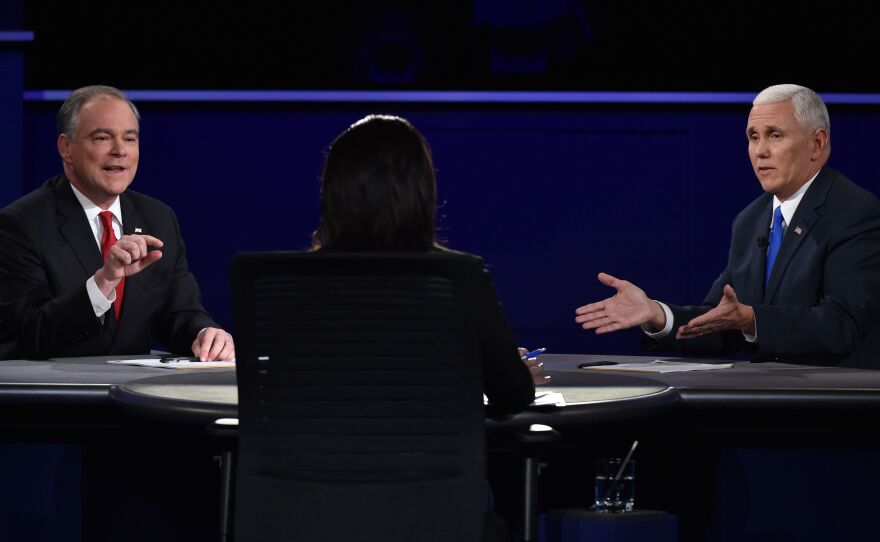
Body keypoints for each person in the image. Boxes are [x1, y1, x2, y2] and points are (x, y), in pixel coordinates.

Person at [575, 84, 880, 366]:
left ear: (817, 143)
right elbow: (722, 322)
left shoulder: (854, 212)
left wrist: (751, 320)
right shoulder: (751, 220)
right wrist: (659, 314)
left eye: (775, 135)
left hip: (833, 404)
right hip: (762, 400)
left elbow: (841, 326)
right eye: (753, 136)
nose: (760, 151)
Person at [312, 114, 542, 413]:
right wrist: (498, 370)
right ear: (421, 190)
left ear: (333, 190)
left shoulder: (284, 281)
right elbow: (512, 393)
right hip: (431, 459)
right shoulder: (459, 275)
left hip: (312, 457)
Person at [0, 85, 233, 361]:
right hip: (56, 397)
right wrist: (103, 283)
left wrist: (205, 333)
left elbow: (179, 312)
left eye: (130, 139)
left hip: (134, 399)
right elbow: (28, 332)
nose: (120, 150)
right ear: (66, 147)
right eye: (102, 138)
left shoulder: (158, 218)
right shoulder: (20, 224)